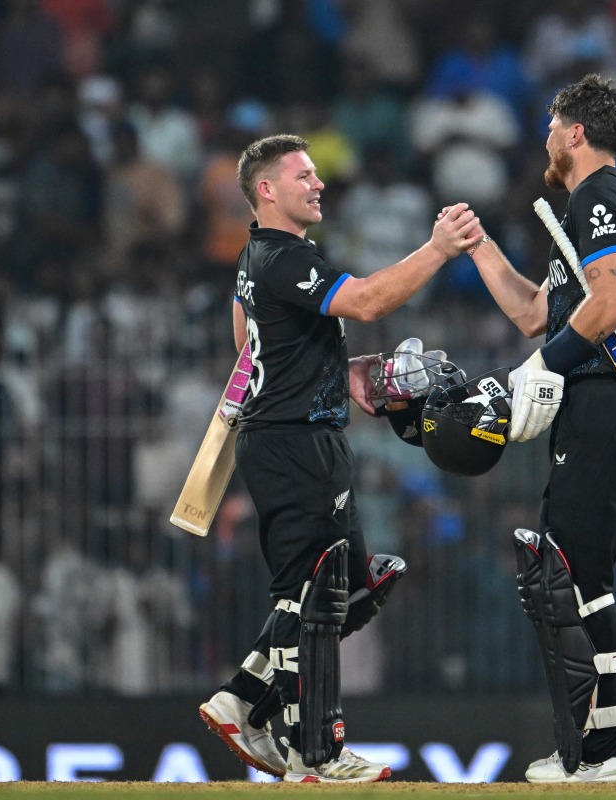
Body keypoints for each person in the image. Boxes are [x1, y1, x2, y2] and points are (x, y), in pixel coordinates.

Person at [197, 134, 480, 783]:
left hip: (301, 436)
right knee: (316, 593)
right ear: (266, 189)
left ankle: (249, 699)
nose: (318, 183)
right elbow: (369, 300)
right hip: (295, 441)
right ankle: (314, 750)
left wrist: (334, 370)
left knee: (349, 587)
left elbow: (248, 342)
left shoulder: (255, 258)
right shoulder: (282, 256)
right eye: (303, 175)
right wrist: (438, 249)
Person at [464, 73, 616, 783]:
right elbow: (537, 315)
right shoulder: (589, 202)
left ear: (575, 133)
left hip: (606, 398)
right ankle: (602, 741)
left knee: (568, 572)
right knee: (576, 571)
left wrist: (542, 367)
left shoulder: (598, 196)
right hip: (598, 401)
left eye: (552, 124)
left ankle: (602, 748)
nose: (546, 136)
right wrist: (480, 247)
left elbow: (610, 302)